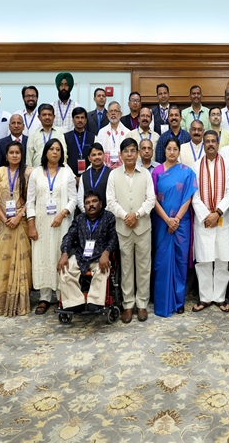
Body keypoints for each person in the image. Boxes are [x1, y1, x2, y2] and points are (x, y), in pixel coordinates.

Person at [106, 138, 156, 323]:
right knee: (126, 268)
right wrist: (126, 215)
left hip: (142, 227)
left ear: (137, 153)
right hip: (123, 228)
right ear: (120, 154)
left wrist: (137, 214)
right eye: (126, 151)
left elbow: (150, 199)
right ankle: (128, 305)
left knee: (144, 267)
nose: (129, 154)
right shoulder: (113, 175)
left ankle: (142, 304)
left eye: (132, 151)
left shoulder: (145, 174)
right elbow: (110, 201)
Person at [27, 139, 77, 314]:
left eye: (58, 149)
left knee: (60, 255)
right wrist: (31, 224)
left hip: (61, 222)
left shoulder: (67, 173)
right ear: (46, 152)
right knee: (42, 257)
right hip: (41, 223)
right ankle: (44, 297)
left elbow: (74, 199)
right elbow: (30, 201)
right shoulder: (36, 173)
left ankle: (62, 295)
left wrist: (63, 214)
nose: (55, 152)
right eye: (52, 149)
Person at [152, 137, 199, 317]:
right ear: (164, 151)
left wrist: (176, 219)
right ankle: (163, 301)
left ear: (179, 151)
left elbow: (188, 197)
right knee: (161, 262)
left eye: (175, 149)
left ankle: (179, 302)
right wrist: (167, 220)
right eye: (169, 149)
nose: (172, 152)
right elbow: (153, 199)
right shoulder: (156, 172)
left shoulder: (187, 173)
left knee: (180, 262)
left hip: (181, 224)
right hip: (162, 223)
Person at [191, 130, 229, 313]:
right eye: (207, 141)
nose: (210, 144)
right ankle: (205, 297)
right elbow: (194, 195)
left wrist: (217, 213)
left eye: (213, 141)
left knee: (222, 260)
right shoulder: (195, 166)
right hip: (204, 222)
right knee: (204, 261)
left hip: (223, 219)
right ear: (203, 143)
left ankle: (220, 297)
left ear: (218, 144)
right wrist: (206, 216)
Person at [0, 140, 33, 317]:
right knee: (3, 261)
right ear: (6, 155)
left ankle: (21, 302)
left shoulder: (29, 172)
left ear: (22, 155)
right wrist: (4, 218)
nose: (14, 155)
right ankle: (3, 302)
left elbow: (32, 199)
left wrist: (18, 216)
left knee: (23, 261)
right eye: (11, 152)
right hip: (3, 224)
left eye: (17, 152)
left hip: (21, 221)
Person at [57, 191, 118, 312]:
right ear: (84, 206)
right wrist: (64, 253)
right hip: (81, 255)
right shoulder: (79, 219)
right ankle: (75, 302)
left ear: (100, 203)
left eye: (94, 201)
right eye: (87, 203)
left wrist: (106, 253)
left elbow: (114, 238)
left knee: (103, 269)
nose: (91, 205)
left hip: (100, 255)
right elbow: (69, 236)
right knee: (64, 268)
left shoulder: (108, 217)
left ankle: (95, 302)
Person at [26, 103, 67, 168]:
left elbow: (65, 153)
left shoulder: (62, 132)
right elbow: (29, 156)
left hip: (58, 171)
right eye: (44, 115)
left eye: (49, 115)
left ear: (54, 117)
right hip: (38, 171)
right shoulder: (33, 134)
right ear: (39, 117)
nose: (47, 117)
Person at [77, 143, 112, 212]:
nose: (97, 157)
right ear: (89, 158)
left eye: (99, 154)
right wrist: (88, 213)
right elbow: (79, 198)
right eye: (93, 155)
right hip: (87, 217)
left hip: (107, 216)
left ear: (104, 155)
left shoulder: (111, 173)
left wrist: (104, 215)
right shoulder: (84, 175)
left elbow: (113, 197)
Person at [64, 107, 96, 178]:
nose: (80, 120)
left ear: (86, 120)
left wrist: (84, 176)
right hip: (69, 177)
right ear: (73, 120)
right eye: (77, 117)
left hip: (89, 177)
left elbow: (94, 158)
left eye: (82, 117)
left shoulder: (93, 137)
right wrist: (73, 177)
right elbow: (63, 160)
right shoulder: (65, 137)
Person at [97, 102, 128, 169]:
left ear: (121, 114)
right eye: (111, 111)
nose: (113, 113)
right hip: (105, 169)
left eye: (116, 111)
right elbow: (98, 151)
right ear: (107, 115)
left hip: (123, 169)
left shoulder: (127, 132)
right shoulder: (102, 132)